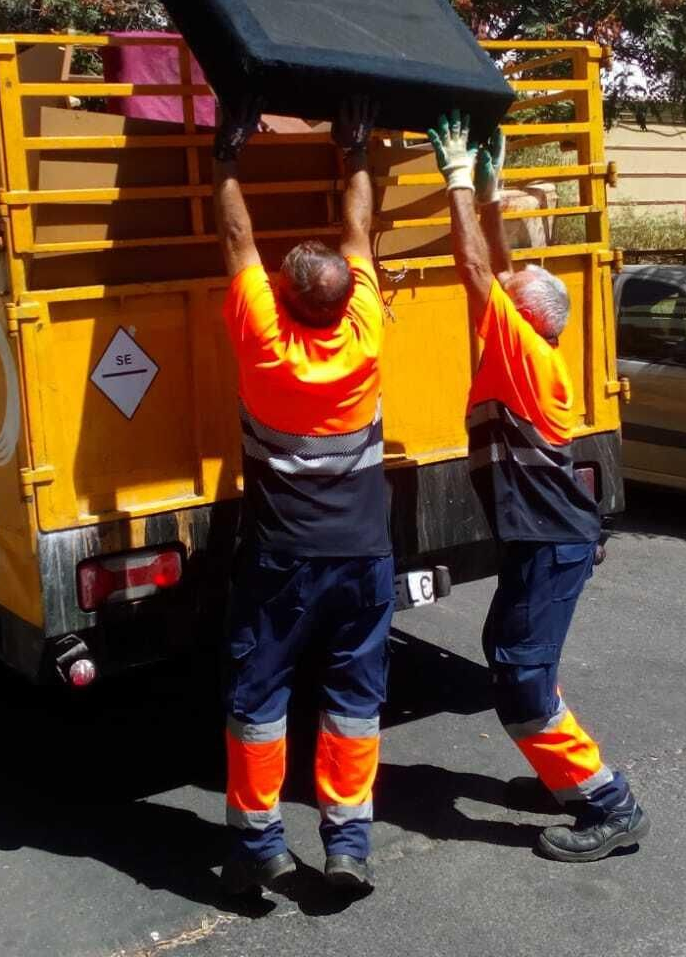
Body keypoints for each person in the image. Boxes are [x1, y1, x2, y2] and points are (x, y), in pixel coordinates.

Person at [427, 109, 649, 862]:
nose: (503, 282)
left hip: (553, 541)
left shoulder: (518, 353)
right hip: (548, 538)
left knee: (521, 677)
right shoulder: (527, 347)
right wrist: (493, 193)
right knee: (507, 651)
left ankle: (608, 804)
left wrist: (457, 181)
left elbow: (475, 268)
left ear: (520, 319)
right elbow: (496, 264)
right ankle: (565, 775)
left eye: (512, 286)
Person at [213, 96, 393, 896]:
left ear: (284, 302)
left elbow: (237, 238)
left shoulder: (265, 343)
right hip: (364, 557)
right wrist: (354, 149)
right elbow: (360, 234)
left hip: (282, 559)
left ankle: (260, 847)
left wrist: (224, 157)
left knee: (260, 696)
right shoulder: (367, 332)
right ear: (346, 296)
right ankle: (347, 843)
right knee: (354, 699)